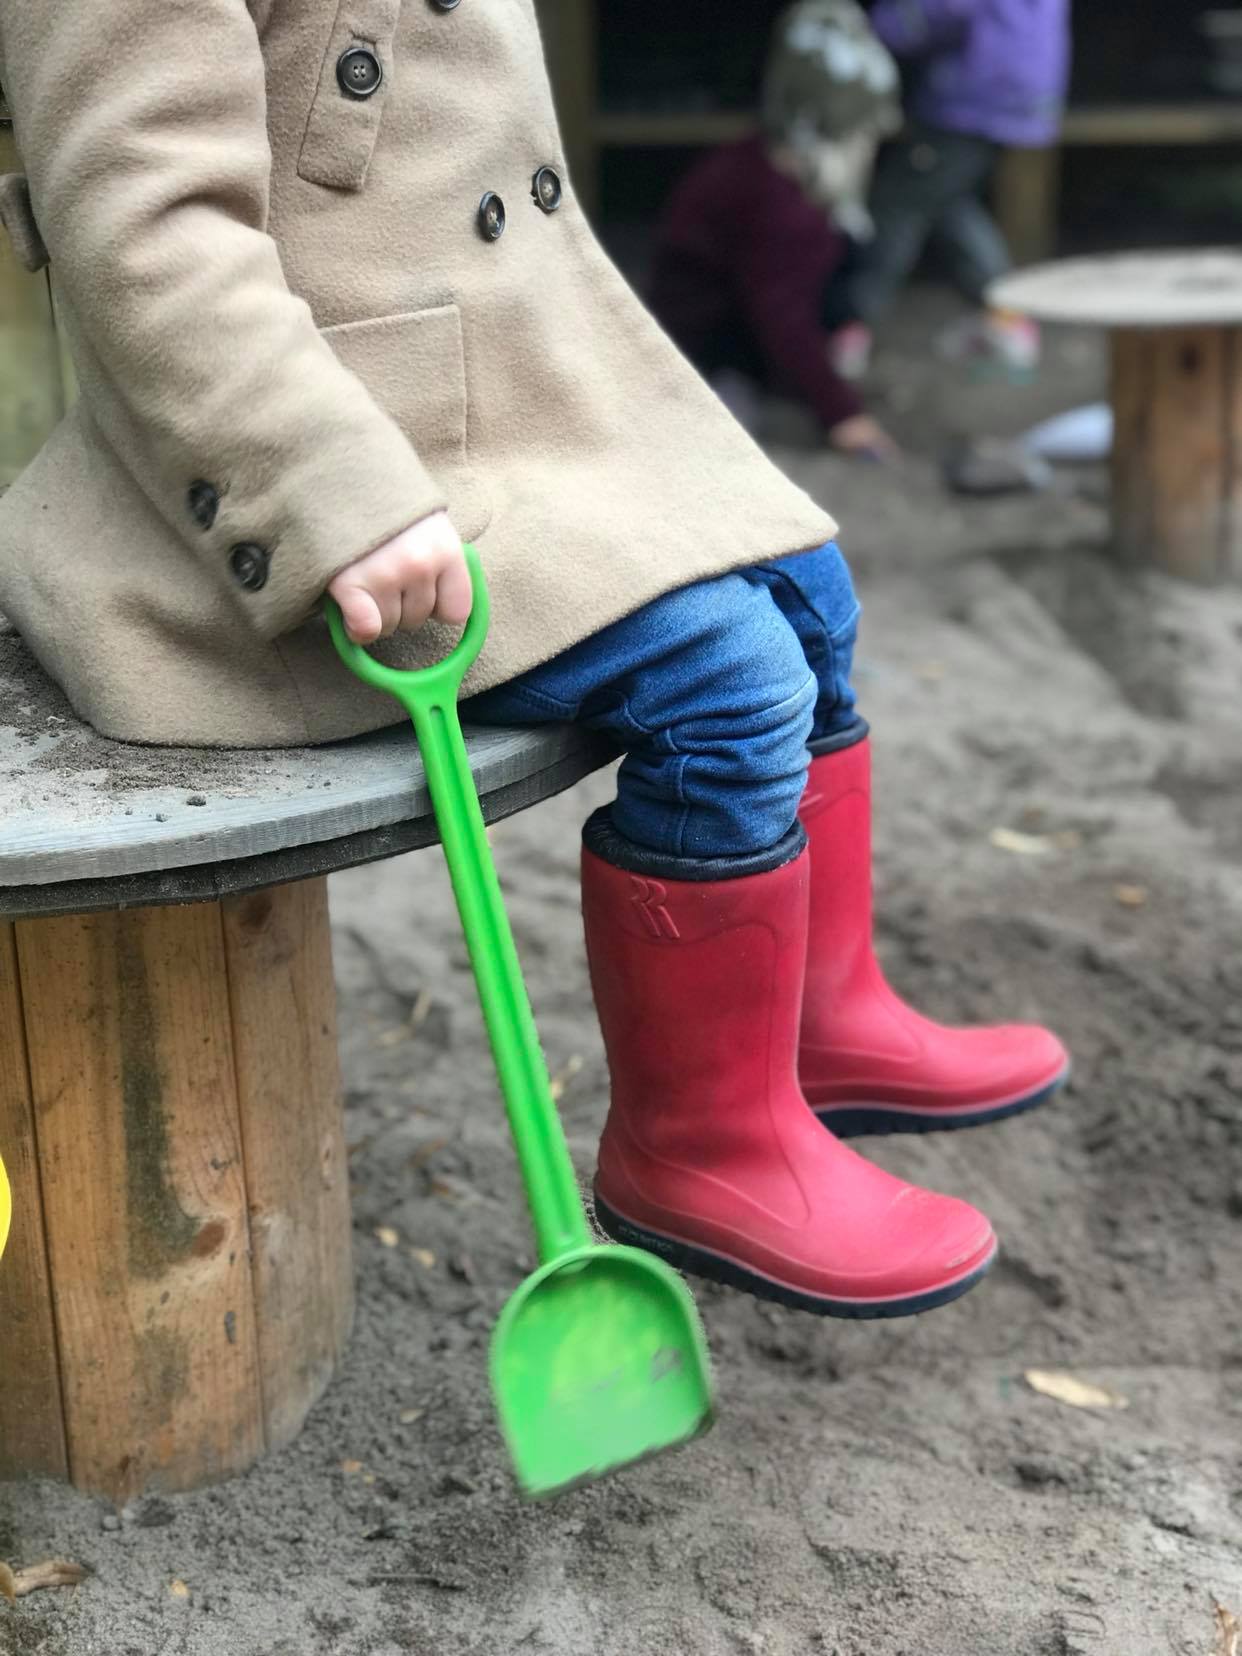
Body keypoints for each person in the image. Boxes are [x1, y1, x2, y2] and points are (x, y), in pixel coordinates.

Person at [0, 0, 1066, 1320]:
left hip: (491, 402)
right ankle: (702, 1147)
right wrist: (326, 492)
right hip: (280, 489)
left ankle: (815, 1012)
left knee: (807, 582)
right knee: (726, 682)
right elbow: (142, 224)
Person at [649, 0, 901, 459]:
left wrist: (842, 320)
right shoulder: (776, 200)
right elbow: (781, 315)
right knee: (727, 429)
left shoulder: (785, 170)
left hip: (743, 327)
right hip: (703, 349)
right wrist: (843, 413)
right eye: (861, 134)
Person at [857, 0, 1072, 374]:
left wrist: (875, 27)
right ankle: (1006, 317)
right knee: (946, 200)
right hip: (1016, 92)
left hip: (974, 96)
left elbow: (944, 9)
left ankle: (849, 325)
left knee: (898, 204)